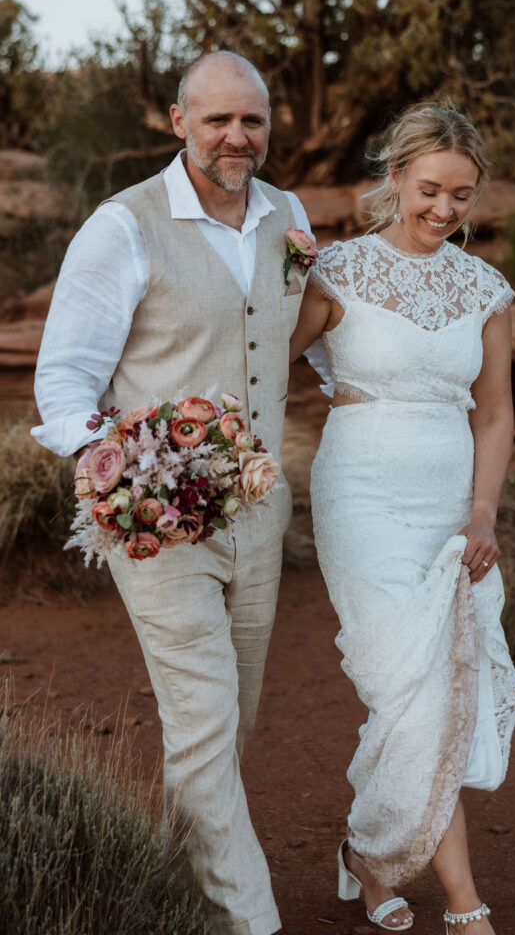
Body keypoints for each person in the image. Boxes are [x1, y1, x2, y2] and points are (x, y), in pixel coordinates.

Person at [32, 51, 313, 935]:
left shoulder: (288, 216)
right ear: (177, 120)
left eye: (253, 121)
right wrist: (124, 474)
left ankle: (169, 894)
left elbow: (298, 338)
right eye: (219, 119)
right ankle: (250, 922)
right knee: (202, 719)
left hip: (261, 514)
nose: (238, 136)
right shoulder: (123, 227)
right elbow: (65, 381)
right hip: (160, 526)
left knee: (230, 724)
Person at [289, 101, 515, 935]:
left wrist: (483, 512)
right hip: (360, 494)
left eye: (462, 195)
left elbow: (493, 414)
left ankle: (368, 855)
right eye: (430, 189)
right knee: (406, 689)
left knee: (435, 688)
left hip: (451, 507)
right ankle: (466, 906)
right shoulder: (337, 270)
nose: (444, 210)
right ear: (394, 178)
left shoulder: (484, 288)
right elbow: (256, 356)